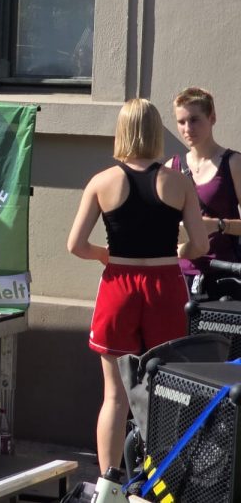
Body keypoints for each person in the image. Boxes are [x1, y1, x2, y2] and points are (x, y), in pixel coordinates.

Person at [67, 98, 208, 475]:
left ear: (122, 131)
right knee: (168, 393)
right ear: (156, 131)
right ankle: (161, 480)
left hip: (119, 286)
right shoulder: (179, 182)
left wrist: (104, 255)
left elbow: (75, 245)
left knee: (115, 397)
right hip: (165, 288)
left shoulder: (102, 182)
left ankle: (108, 485)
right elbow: (200, 245)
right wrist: (180, 250)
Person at [166, 87, 241, 295]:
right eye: (181, 122)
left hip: (224, 275)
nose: (188, 128)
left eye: (194, 120)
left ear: (212, 118)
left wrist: (219, 225)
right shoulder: (172, 166)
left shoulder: (233, 164)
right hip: (180, 275)